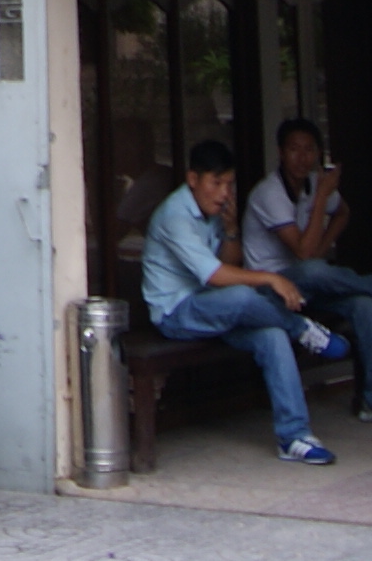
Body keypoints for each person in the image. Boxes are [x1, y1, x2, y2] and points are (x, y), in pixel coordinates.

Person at [137, 137, 352, 466]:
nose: (224, 193)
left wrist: (232, 229)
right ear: (193, 180)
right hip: (177, 314)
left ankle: (294, 437)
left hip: (214, 308)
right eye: (217, 183)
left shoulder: (213, 210)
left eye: (229, 184)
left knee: (272, 335)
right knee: (241, 295)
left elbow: (231, 261)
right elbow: (215, 275)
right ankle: (301, 327)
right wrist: (271, 277)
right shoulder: (174, 216)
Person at [243, 118, 372, 429]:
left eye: (309, 150)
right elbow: (303, 253)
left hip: (309, 283)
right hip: (270, 290)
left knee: (364, 305)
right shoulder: (268, 193)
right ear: (281, 153)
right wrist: (322, 197)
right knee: (313, 268)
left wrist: (324, 243)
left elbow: (343, 213)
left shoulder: (314, 183)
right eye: (294, 149)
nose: (302, 157)